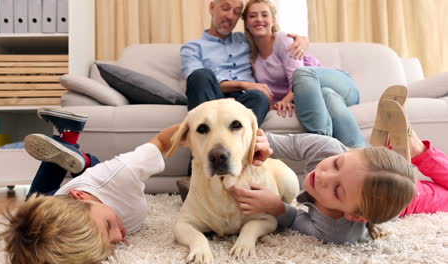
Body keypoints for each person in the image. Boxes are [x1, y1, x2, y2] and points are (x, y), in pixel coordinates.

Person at [230, 88, 448, 244]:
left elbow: (297, 220)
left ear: (353, 216)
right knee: (329, 98)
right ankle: (413, 152)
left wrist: (276, 206)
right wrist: (264, 143)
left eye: (337, 190)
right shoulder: (328, 149)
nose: (323, 176)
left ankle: (408, 153)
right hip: (357, 159)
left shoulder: (337, 231)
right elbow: (285, 143)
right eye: (335, 165)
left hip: (409, 200)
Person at [0, 108, 179, 264]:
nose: (118, 238)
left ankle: (74, 150)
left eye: (108, 226)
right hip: (87, 187)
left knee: (33, 202)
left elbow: (162, 142)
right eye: (108, 245)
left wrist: (194, 128)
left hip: (72, 189)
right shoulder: (82, 234)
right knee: (37, 228)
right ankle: (74, 144)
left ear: (80, 197)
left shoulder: (122, 173)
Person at [242, 0, 366, 148]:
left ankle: (321, 143)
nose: (259, 19)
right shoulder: (250, 54)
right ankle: (360, 152)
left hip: (340, 83)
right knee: (326, 95)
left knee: (301, 75)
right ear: (246, 22)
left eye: (264, 15)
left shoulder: (283, 40)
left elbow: (297, 79)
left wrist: (286, 100)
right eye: (253, 16)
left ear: (273, 20)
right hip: (321, 95)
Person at [181, 0, 309, 126]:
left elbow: (268, 37)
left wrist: (301, 40)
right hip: (213, 97)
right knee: (201, 75)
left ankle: (237, 140)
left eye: (236, 12)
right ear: (212, 8)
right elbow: (195, 81)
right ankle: (207, 135)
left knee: (260, 97)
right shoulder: (192, 47)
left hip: (245, 100)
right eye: (225, 8)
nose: (230, 16)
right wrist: (243, 84)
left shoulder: (246, 39)